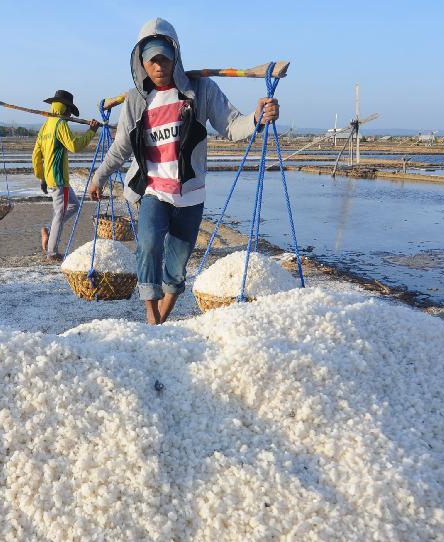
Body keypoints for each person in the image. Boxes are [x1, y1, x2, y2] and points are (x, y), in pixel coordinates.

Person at [89, 18, 279, 324]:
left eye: (164, 58)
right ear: (141, 64)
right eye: (152, 61)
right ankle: (151, 316)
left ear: (175, 57)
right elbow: (121, 146)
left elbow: (231, 125)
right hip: (153, 190)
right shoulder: (137, 100)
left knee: (177, 264)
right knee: (149, 244)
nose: (159, 66)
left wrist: (257, 116)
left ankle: (161, 320)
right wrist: (98, 176)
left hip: (190, 195)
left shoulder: (200, 90)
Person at [32, 90, 100, 261]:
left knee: (73, 206)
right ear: (63, 108)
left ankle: (49, 229)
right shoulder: (60, 124)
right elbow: (75, 146)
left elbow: (36, 154)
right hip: (58, 178)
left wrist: (41, 176)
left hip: (51, 177)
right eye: (68, 109)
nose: (70, 114)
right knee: (60, 213)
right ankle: (52, 252)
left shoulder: (46, 126)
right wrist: (92, 131)